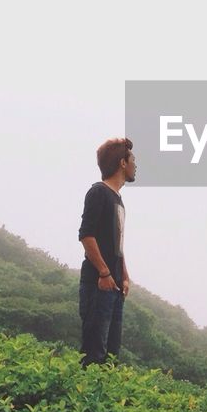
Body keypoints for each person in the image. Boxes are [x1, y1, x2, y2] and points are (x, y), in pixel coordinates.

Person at [77, 137, 136, 366]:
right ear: (122, 163)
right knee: (94, 354)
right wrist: (103, 273)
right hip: (98, 284)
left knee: (111, 357)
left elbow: (115, 244)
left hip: (114, 286)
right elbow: (86, 235)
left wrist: (124, 275)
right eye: (133, 160)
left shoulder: (118, 200)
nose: (135, 165)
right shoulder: (98, 193)